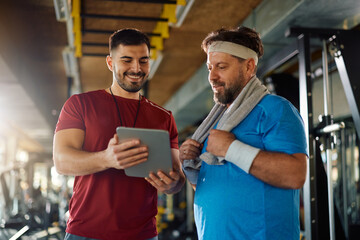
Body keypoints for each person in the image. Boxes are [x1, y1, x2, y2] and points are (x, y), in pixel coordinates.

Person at [53, 28, 185, 240]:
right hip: (86, 232)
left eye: (143, 60)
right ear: (110, 63)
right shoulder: (80, 104)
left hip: (142, 234)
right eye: (127, 60)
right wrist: (106, 158)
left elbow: (177, 178)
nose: (136, 68)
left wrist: (172, 183)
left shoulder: (164, 117)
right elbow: (61, 161)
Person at [179, 26, 308, 240]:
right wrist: (192, 170)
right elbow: (224, 186)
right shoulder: (218, 121)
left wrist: (232, 148)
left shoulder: (276, 110)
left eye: (221, 66)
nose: (212, 76)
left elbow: (295, 175)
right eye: (209, 67)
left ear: (249, 66)